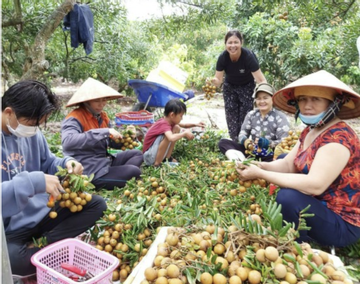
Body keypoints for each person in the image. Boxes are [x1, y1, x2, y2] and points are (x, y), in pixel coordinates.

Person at [236, 70, 360, 247]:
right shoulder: (310, 131)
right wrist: (258, 165)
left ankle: (299, 244)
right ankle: (296, 233)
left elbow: (315, 184)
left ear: (333, 103)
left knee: (287, 198)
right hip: (320, 207)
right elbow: (287, 164)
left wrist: (260, 174)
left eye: (316, 99)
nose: (307, 105)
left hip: (341, 221)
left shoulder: (339, 137)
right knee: (288, 159)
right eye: (303, 99)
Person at [1, 80, 107, 275]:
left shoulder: (33, 134)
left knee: (97, 204)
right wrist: (35, 182)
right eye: (33, 124)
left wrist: (66, 163)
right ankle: (41, 254)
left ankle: (44, 247)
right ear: (9, 113)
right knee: (10, 262)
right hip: (9, 229)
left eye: (39, 125)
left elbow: (48, 162)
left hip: (42, 214)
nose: (35, 130)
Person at [61, 78, 144, 190]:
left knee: (137, 154)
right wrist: (104, 132)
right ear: (86, 101)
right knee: (134, 171)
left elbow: (112, 143)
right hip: (89, 168)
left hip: (104, 161)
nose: (101, 104)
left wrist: (127, 137)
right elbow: (68, 142)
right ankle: (104, 179)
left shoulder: (102, 117)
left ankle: (116, 175)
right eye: (97, 101)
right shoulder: (74, 118)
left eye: (104, 100)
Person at [211, 30, 267, 142]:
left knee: (245, 116)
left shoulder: (248, 57)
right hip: (229, 87)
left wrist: (267, 96)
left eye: (236, 42)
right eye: (229, 42)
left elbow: (261, 80)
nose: (232, 46)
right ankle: (234, 142)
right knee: (231, 115)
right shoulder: (223, 57)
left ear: (241, 43)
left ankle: (244, 142)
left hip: (247, 86)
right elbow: (218, 80)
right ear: (225, 44)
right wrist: (212, 81)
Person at [218, 83, 290, 162]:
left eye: (265, 98)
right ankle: (240, 160)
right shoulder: (251, 115)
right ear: (255, 100)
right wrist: (246, 142)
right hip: (252, 151)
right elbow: (242, 134)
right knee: (223, 142)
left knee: (282, 157)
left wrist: (267, 144)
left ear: (272, 99)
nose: (262, 101)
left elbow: (284, 142)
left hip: (269, 154)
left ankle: (242, 161)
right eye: (258, 98)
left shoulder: (280, 117)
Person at [143, 99, 205, 166]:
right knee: (168, 136)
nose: (182, 118)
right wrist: (184, 133)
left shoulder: (169, 121)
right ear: (172, 115)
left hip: (153, 153)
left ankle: (168, 158)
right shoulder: (163, 124)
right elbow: (171, 138)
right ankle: (157, 164)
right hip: (149, 157)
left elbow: (184, 125)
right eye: (181, 116)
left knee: (176, 128)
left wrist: (196, 124)